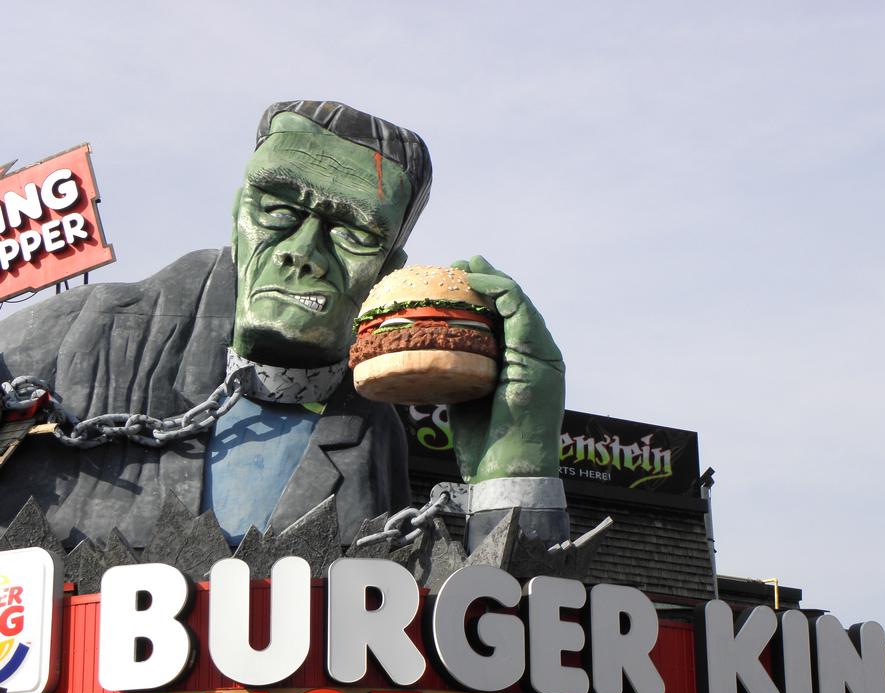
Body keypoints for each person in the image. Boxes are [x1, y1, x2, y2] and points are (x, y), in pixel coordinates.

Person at [0, 101, 567, 552]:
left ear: (389, 270)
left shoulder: (370, 432)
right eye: (278, 209)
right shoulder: (74, 339)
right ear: (237, 216)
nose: (303, 254)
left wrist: (512, 474)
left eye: (353, 233)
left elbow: (468, 652)